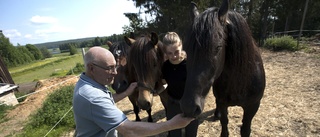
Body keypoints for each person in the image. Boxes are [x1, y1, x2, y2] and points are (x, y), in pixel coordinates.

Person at [73, 46, 194, 137]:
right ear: (91, 68)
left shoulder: (89, 84)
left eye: (115, 67)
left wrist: (126, 92)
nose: (115, 73)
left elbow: (106, 101)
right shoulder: (92, 96)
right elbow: (129, 129)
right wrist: (172, 124)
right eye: (109, 68)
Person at [161, 32, 199, 137]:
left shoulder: (191, 64)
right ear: (165, 52)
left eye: (176, 52)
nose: (173, 56)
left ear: (181, 46)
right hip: (173, 104)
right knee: (173, 134)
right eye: (169, 53)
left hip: (191, 105)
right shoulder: (165, 67)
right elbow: (165, 82)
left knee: (191, 134)